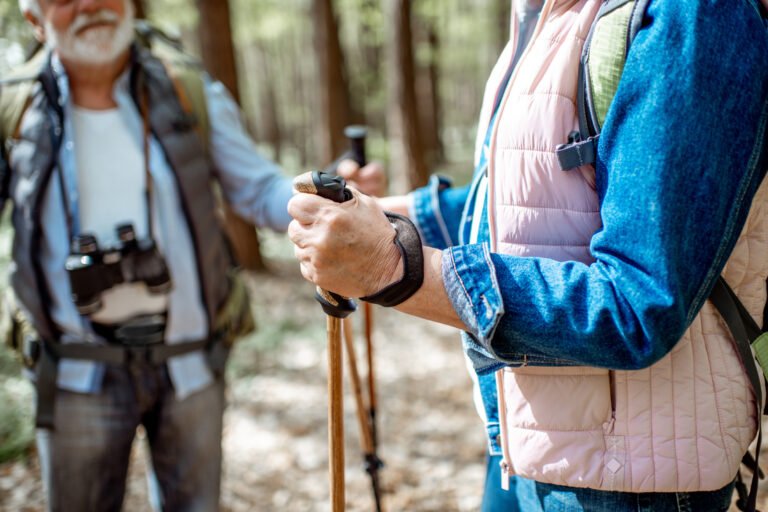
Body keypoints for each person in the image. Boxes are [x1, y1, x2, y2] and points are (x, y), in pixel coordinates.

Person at [289, 0, 768, 510]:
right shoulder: (543, 14)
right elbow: (523, 203)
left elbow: (637, 303)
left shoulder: (688, 14)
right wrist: (381, 215)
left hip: (629, 479)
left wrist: (394, 268)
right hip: (527, 440)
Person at [0, 0, 383, 510]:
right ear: (33, 19)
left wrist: (323, 199)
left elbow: (258, 188)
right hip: (73, 372)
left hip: (191, 364)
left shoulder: (186, 86)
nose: (89, 4)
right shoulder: (14, 106)